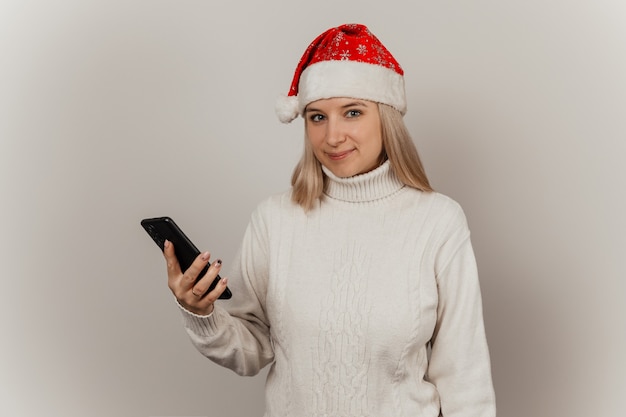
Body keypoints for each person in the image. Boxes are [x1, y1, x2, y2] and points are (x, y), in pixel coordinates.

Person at [162, 23, 496, 417]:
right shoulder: (275, 220)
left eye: (352, 112)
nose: (332, 135)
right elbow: (251, 347)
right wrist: (202, 314)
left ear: (385, 118)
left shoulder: (438, 221)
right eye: (317, 117)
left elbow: (464, 377)